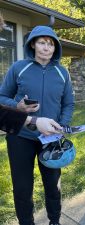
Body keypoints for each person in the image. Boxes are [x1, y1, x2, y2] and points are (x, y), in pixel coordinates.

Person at [0, 25, 74, 225]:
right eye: (42, 42)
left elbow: (68, 103)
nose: (46, 48)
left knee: (53, 184)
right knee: (23, 187)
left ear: (55, 47)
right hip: (20, 136)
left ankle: (55, 220)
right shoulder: (18, 67)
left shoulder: (62, 73)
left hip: (50, 138)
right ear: (33, 44)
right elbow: (1, 97)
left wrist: (63, 125)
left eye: (50, 44)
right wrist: (17, 106)